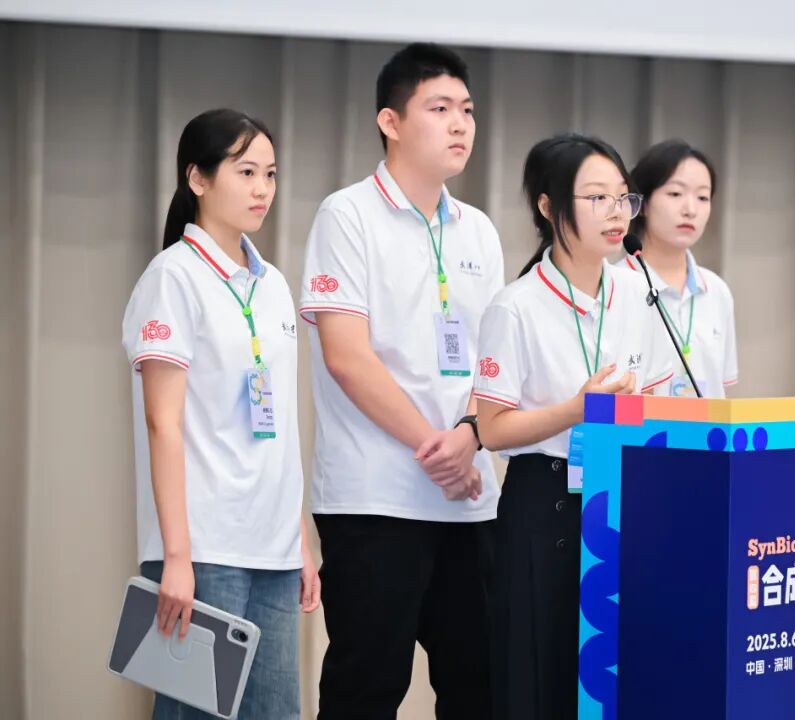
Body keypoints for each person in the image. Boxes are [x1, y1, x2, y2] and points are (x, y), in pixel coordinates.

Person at [298, 43, 504, 719]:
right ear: (390, 121)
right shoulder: (347, 215)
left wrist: (468, 436)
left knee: (479, 688)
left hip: (468, 500)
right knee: (366, 688)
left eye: (467, 110)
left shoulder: (478, 230)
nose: (460, 124)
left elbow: (493, 360)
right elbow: (347, 357)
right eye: (439, 108)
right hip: (374, 498)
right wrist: (436, 449)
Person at [121, 108, 320, 719]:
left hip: (273, 549)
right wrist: (177, 558)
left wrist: (299, 538)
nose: (263, 189)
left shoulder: (273, 284)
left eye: (270, 173)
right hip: (205, 548)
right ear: (198, 179)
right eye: (245, 172)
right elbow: (163, 423)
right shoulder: (173, 278)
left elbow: (278, 429)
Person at [473, 133, 673, 720]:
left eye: (623, 198)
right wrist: (576, 409)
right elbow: (492, 429)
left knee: (614, 684)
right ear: (548, 205)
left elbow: (660, 399)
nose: (617, 213)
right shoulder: (515, 306)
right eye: (597, 198)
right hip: (544, 509)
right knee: (541, 682)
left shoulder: (640, 293)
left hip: (620, 503)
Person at [625, 139, 738, 397]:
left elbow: (720, 387)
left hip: (708, 424)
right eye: (675, 194)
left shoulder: (717, 291)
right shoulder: (615, 287)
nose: (690, 210)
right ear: (642, 203)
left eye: (702, 197)